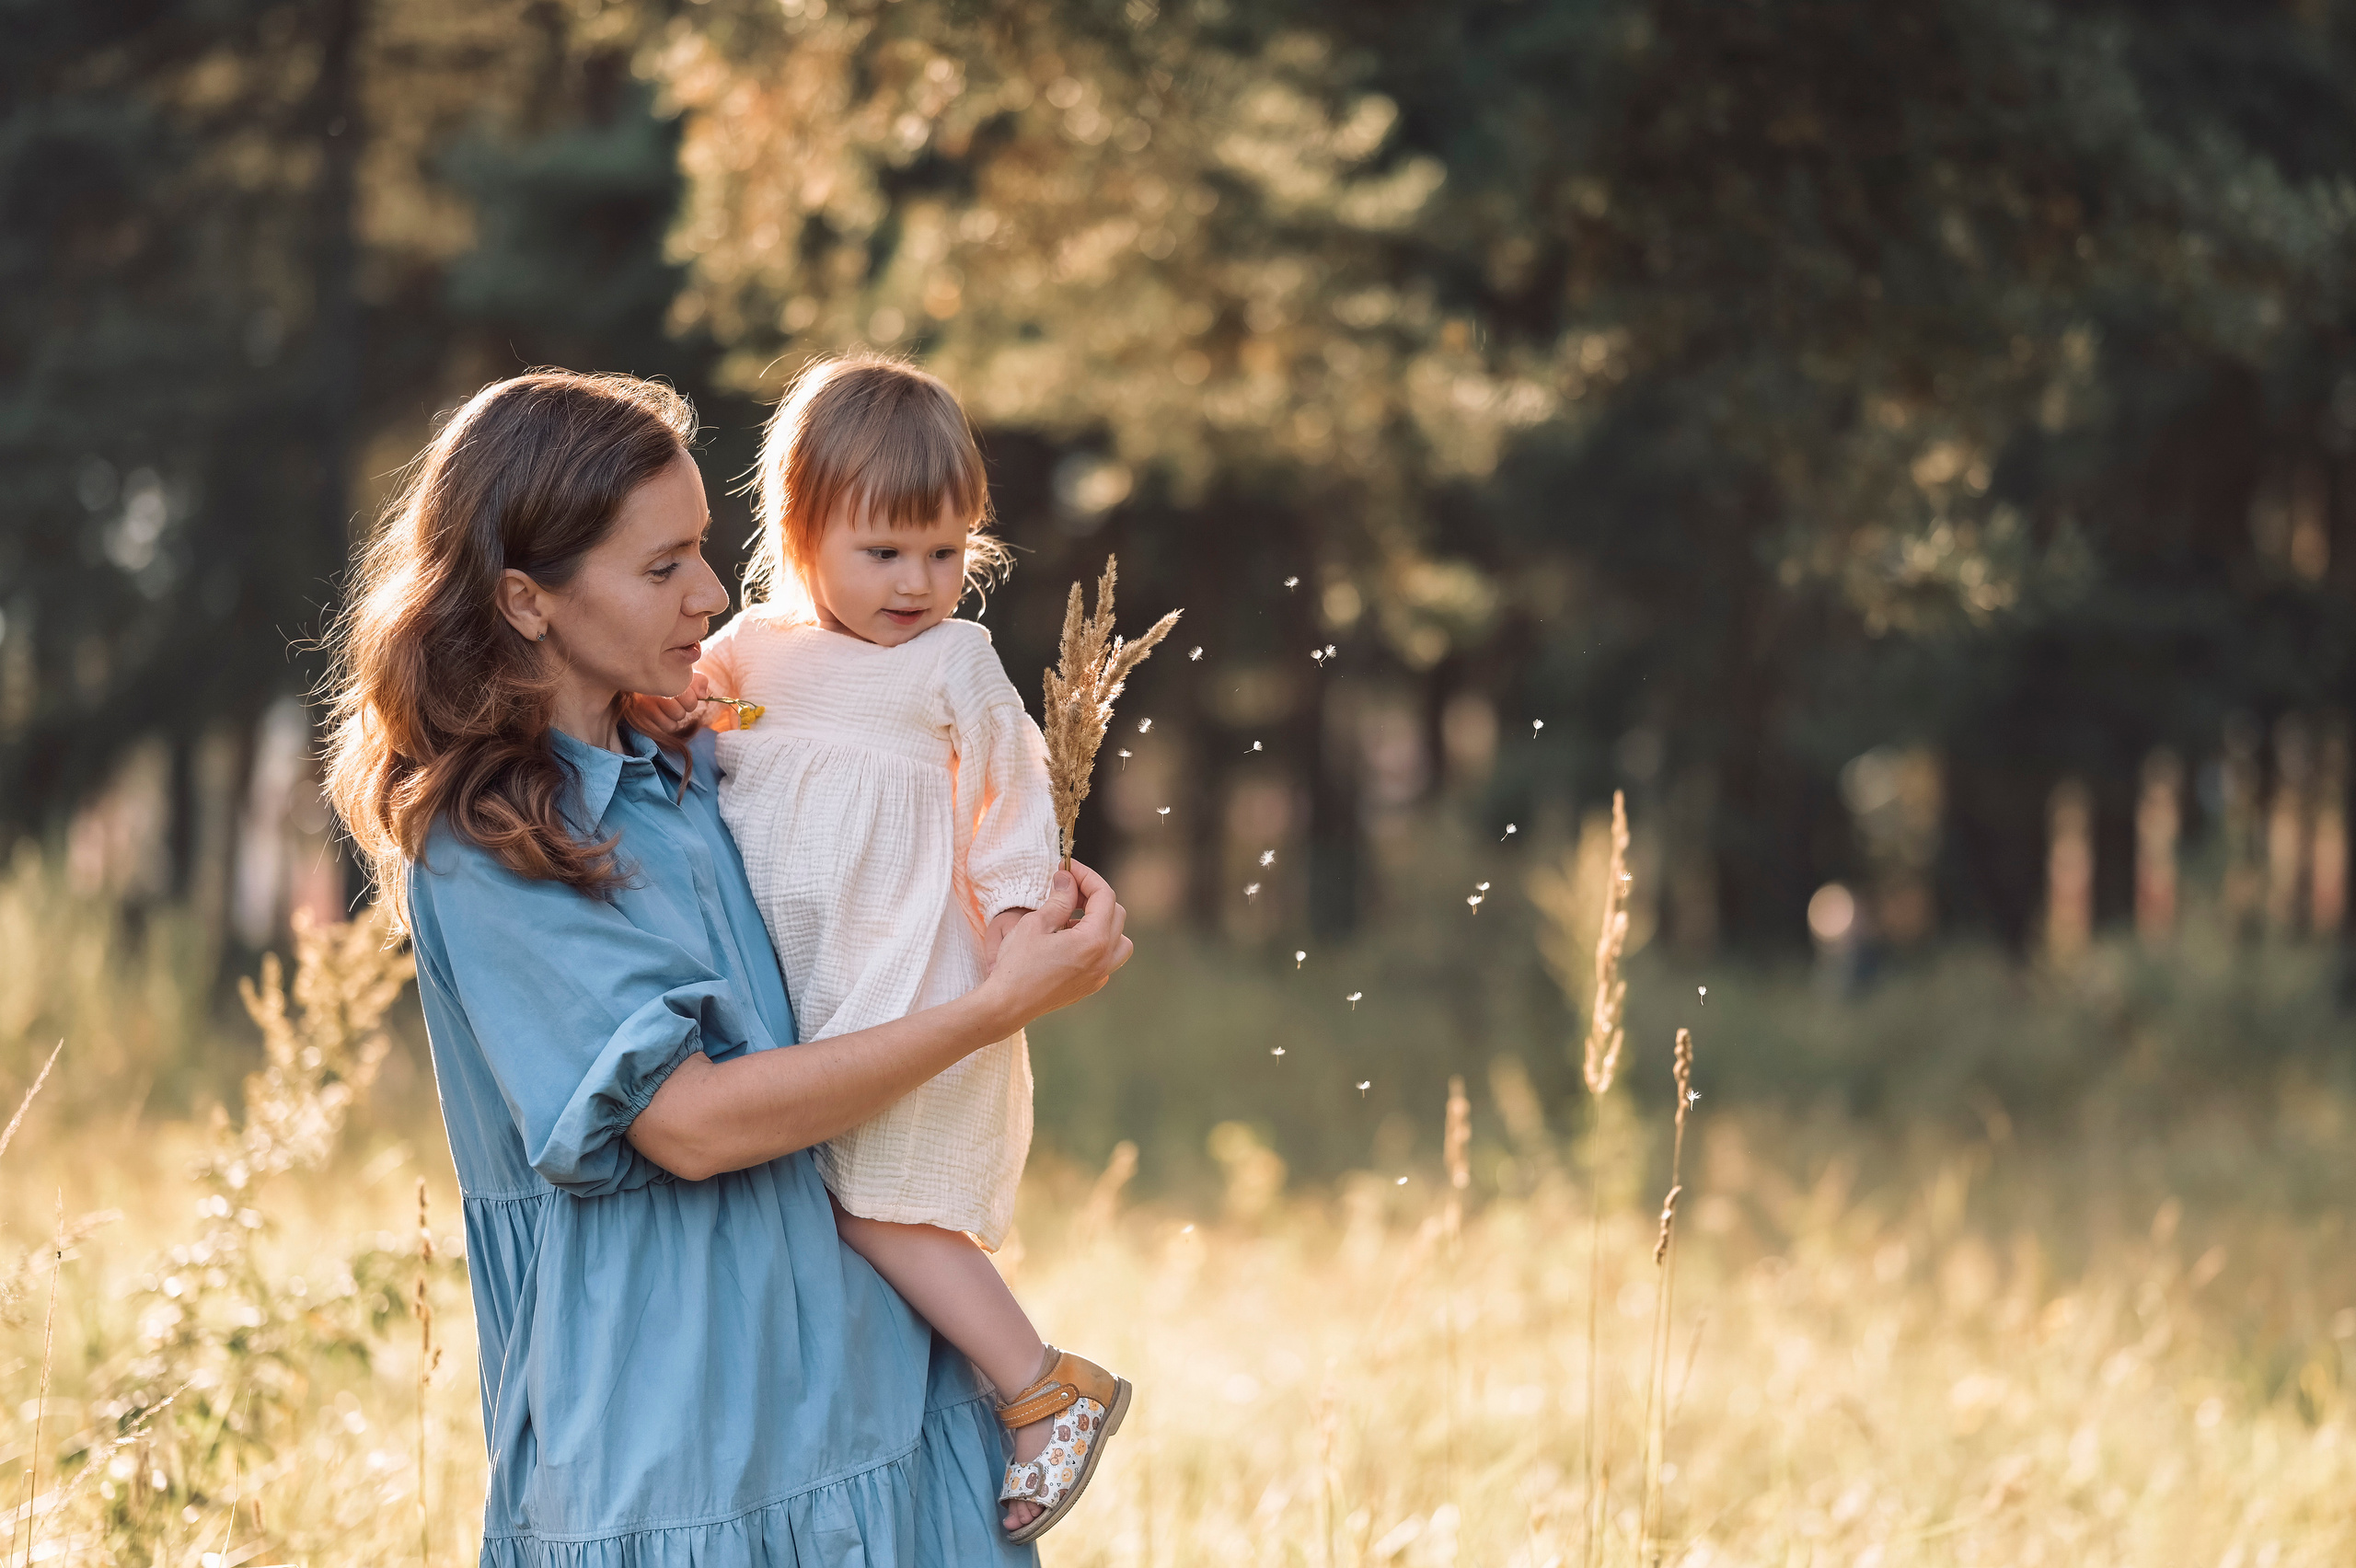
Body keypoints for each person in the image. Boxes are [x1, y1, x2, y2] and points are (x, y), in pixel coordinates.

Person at [320, 368, 1131, 1567]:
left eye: (704, 548)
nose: (711, 591)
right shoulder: (488, 842)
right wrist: (987, 1010)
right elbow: (688, 1125)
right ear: (525, 601)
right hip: (682, 1446)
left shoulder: (696, 761)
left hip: (880, 1398)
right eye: (661, 569)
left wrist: (1014, 919)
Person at [687, 356, 1126, 1542]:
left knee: (878, 1206)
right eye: (885, 552)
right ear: (801, 528)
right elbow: (692, 714)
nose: (920, 583)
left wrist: (1021, 942)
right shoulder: (753, 653)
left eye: (947, 553)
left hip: (915, 985)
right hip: (807, 994)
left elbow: (1013, 807)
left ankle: (1043, 1389)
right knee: (822, 1197)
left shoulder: (951, 664)